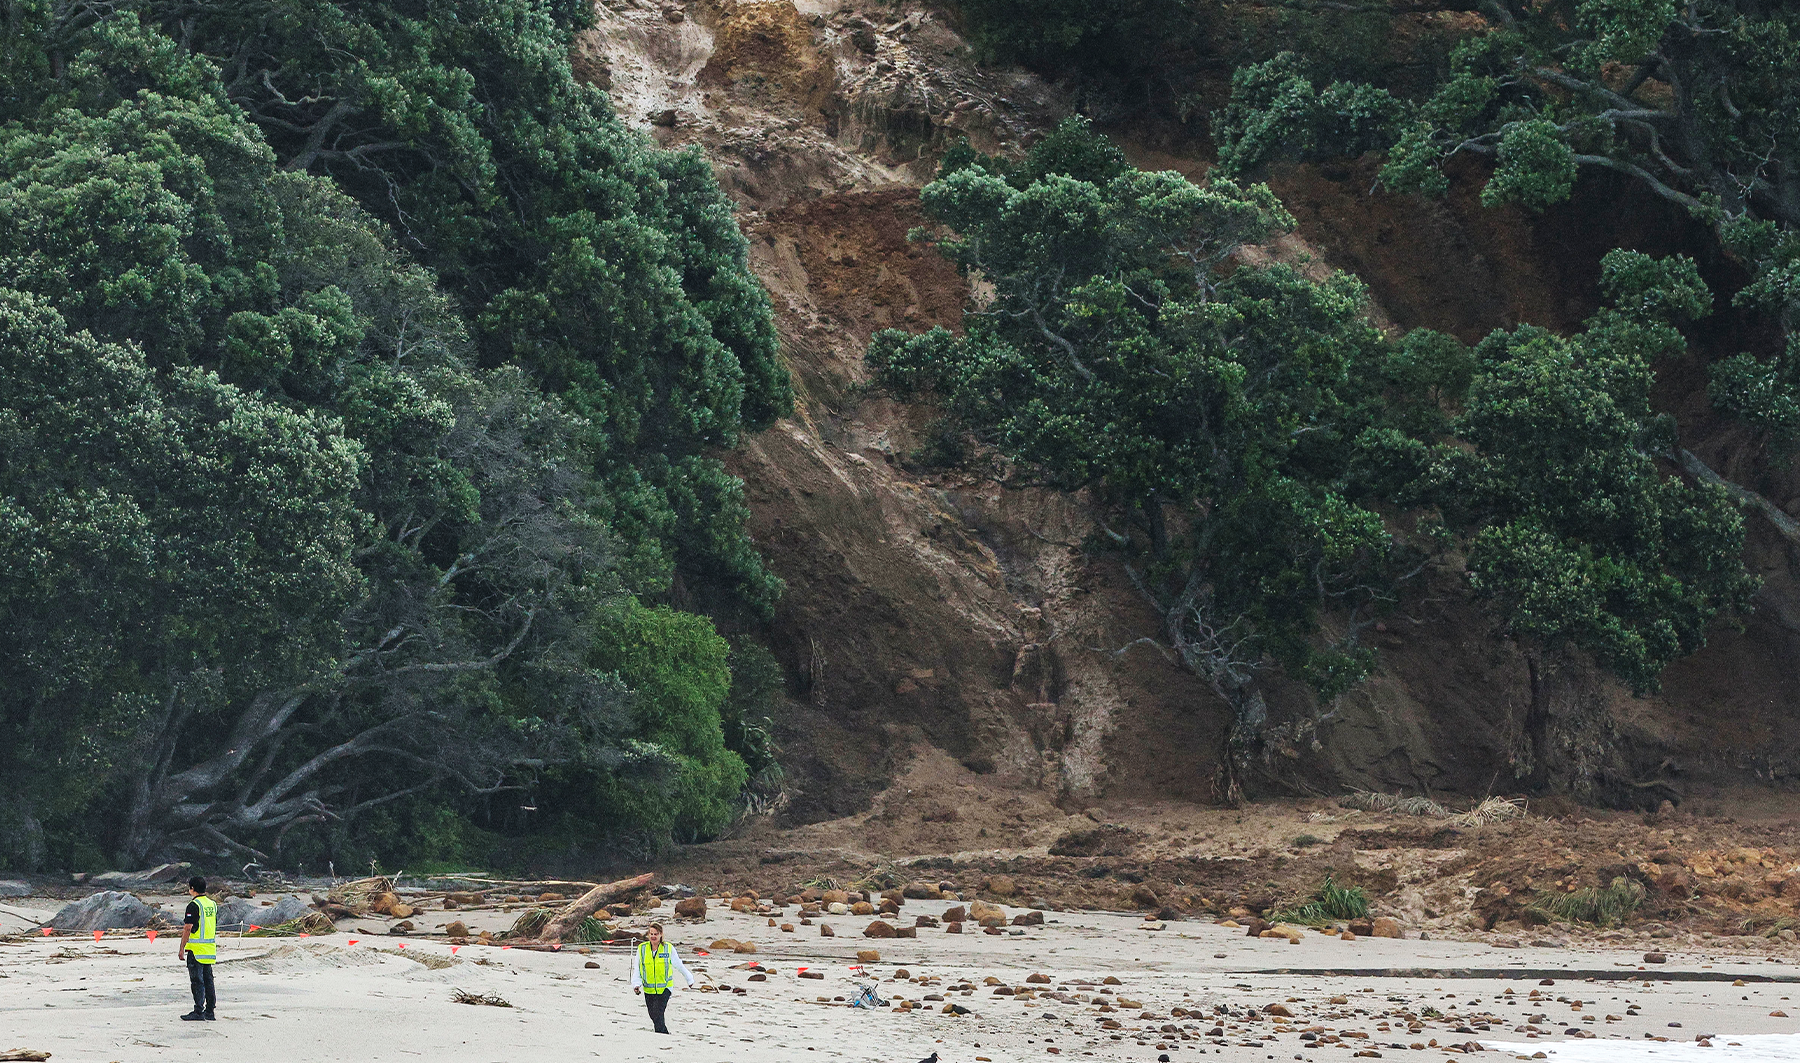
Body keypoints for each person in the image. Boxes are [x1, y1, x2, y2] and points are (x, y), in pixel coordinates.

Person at [629, 923, 695, 1033]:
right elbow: (638, 968)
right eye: (651, 934)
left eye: (656, 934)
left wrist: (689, 979)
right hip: (648, 989)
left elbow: (679, 965)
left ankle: (662, 1037)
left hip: (665, 988)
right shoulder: (642, 949)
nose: (653, 936)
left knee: (658, 1013)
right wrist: (636, 984)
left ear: (661, 934)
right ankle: (663, 1034)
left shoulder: (668, 948)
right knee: (653, 1015)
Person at [177, 875, 217, 1021]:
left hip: (196, 949)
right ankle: (210, 1011)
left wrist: (182, 947)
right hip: (209, 949)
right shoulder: (212, 904)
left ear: (192, 889)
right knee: (208, 980)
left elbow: (188, 928)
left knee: (197, 981)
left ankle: (198, 1011)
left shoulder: (194, 905)